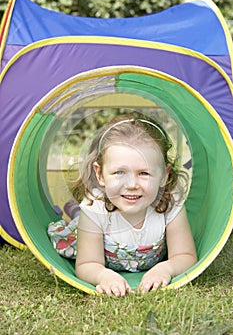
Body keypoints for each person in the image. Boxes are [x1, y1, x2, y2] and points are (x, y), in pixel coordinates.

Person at [48, 112, 197, 296]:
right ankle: (75, 210)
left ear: (164, 175)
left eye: (144, 173)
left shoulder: (170, 203)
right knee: (79, 221)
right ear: (100, 174)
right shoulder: (95, 207)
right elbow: (87, 263)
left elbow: (186, 256)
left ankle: (74, 209)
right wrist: (103, 276)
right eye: (119, 172)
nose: (132, 185)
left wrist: (165, 269)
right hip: (91, 221)